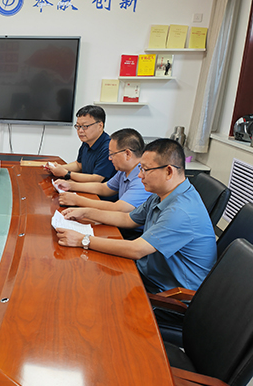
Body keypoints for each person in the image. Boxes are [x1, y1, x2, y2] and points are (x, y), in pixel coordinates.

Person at [55, 138, 216, 293]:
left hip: (168, 293)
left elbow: (136, 250)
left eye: (145, 169)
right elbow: (127, 219)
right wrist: (86, 212)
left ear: (168, 171)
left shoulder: (181, 212)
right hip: (149, 271)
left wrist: (82, 240)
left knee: (85, 282)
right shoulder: (162, 194)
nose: (139, 176)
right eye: (140, 169)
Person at [54, 128, 151, 212]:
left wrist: (77, 200)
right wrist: (71, 185)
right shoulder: (124, 170)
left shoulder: (142, 178)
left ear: (127, 154)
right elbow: (104, 188)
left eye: (112, 154)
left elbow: (119, 208)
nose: (109, 158)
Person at [45, 105, 116, 183]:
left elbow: (97, 178)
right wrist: (57, 168)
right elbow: (79, 165)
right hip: (85, 186)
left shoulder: (109, 147)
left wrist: (66, 173)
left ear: (100, 126)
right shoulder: (87, 142)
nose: (80, 131)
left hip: (98, 190)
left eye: (85, 126)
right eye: (78, 126)